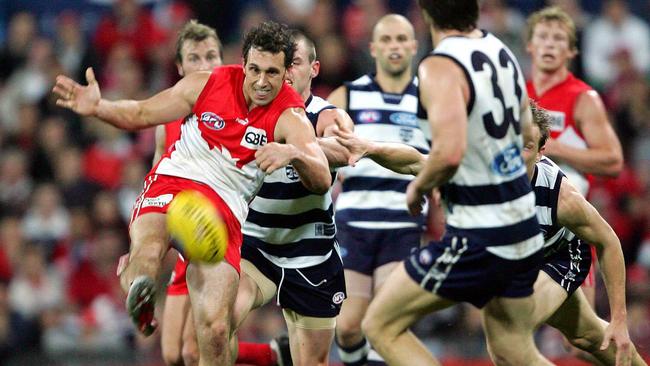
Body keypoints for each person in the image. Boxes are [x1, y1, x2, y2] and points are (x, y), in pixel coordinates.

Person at [53, 21, 331, 365]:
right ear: (242, 63)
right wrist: (98, 107)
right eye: (255, 70)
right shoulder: (207, 83)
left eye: (272, 73)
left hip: (224, 208)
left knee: (214, 331)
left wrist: (294, 154)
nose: (261, 82)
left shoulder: (291, 115)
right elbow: (142, 112)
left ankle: (134, 280)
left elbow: (321, 177)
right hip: (174, 180)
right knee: (150, 246)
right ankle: (140, 286)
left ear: (286, 70)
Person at [333, 103, 645, 365]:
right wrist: (370, 147)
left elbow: (607, 241)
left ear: (540, 151)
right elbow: (417, 161)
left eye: (526, 147)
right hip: (511, 256)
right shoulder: (483, 166)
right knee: (586, 335)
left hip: (555, 257)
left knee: (509, 340)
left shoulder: (560, 197)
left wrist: (619, 318)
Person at [356, 1, 551, 365]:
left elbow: (448, 153)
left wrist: (417, 188)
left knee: (380, 325)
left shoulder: (440, 66)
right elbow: (526, 129)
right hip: (523, 226)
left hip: (481, 235)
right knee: (514, 350)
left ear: (425, 13)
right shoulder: (500, 50)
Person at [231, 29, 353, 366]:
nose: (286, 73)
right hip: (257, 247)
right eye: (283, 64)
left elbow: (344, 147)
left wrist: (296, 150)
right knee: (215, 326)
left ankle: (280, 357)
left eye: (296, 63)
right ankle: (271, 356)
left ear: (314, 69)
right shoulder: (250, 111)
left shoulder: (327, 115)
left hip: (310, 254)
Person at [326, 14, 429, 366]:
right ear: (373, 48)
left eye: (402, 39)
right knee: (348, 329)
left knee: (386, 323)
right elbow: (322, 147)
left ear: (414, 46)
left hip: (402, 223)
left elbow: (445, 155)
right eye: (386, 40)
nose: (395, 47)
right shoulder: (349, 95)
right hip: (354, 224)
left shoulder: (430, 99)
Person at [525, 5, 624, 320]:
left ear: (571, 51)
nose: (550, 44)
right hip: (522, 218)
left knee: (581, 338)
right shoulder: (515, 95)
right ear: (529, 46)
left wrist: (555, 148)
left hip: (568, 224)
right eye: (543, 37)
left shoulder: (583, 98)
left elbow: (613, 161)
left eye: (558, 39)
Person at [147, 20, 223, 366]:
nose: (204, 66)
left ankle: (269, 355)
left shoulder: (237, 112)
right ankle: (273, 354)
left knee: (197, 351)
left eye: (212, 56)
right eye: (194, 58)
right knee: (171, 354)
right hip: (185, 242)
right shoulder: (167, 120)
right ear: (179, 67)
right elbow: (155, 183)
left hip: (219, 243)